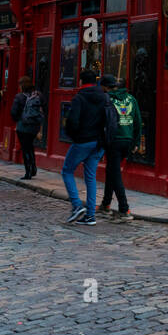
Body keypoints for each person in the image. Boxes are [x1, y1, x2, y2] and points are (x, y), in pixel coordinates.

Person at [61, 70, 108, 225]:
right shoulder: (104, 97)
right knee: (90, 177)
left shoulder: (79, 98)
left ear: (81, 81)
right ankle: (90, 216)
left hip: (83, 141)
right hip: (99, 143)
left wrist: (74, 137)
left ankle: (76, 205)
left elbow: (73, 121)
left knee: (67, 170)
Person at [97, 73, 141, 222]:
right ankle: (106, 204)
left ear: (104, 87)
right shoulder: (131, 99)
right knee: (112, 170)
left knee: (115, 174)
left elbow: (102, 122)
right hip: (127, 140)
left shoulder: (107, 99)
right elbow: (137, 122)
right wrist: (136, 143)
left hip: (114, 140)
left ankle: (124, 209)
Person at [10, 78, 43, 180]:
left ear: (21, 86)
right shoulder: (38, 95)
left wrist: (18, 120)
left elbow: (13, 112)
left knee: (25, 148)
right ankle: (33, 168)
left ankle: (28, 172)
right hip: (35, 126)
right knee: (30, 146)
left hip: (23, 126)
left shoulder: (19, 97)